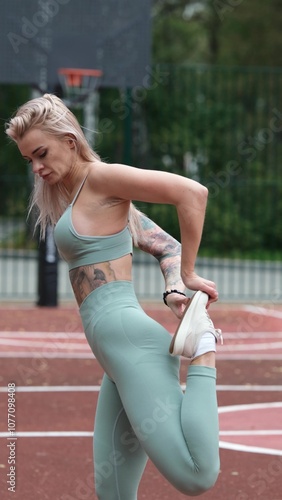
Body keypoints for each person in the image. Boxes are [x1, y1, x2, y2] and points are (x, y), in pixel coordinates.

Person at [6, 93, 223, 499]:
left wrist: (189, 274)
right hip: (116, 356)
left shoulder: (100, 179)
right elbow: (164, 245)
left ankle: (204, 347)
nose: (36, 167)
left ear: (70, 141)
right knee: (113, 489)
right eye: (28, 160)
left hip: (132, 343)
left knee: (196, 475)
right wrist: (175, 285)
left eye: (41, 153)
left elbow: (193, 193)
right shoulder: (80, 196)